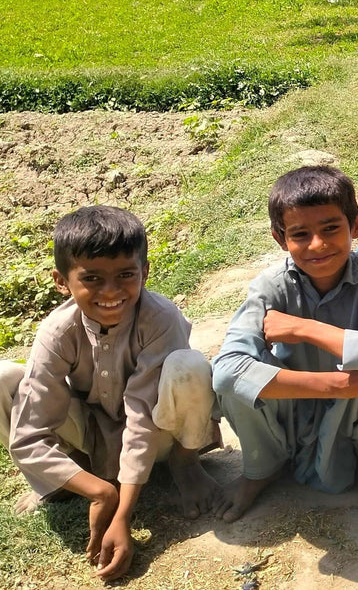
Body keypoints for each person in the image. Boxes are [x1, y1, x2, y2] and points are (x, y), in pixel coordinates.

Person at [0, 205, 222, 582]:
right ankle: (68, 478)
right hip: (93, 433)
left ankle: (186, 464)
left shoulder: (160, 317)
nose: (111, 292)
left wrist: (123, 515)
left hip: (160, 434)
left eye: (125, 275)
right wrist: (102, 493)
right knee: (4, 377)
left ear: (145, 273)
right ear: (61, 281)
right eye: (91, 278)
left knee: (189, 366)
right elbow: (28, 433)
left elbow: (140, 412)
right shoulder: (57, 331)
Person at [212, 166, 358, 521]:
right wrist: (333, 385)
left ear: (356, 225)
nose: (317, 245)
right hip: (295, 406)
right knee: (235, 380)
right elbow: (226, 372)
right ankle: (261, 469)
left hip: (355, 409)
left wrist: (305, 329)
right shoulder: (270, 287)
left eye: (330, 229)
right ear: (280, 238)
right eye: (300, 234)